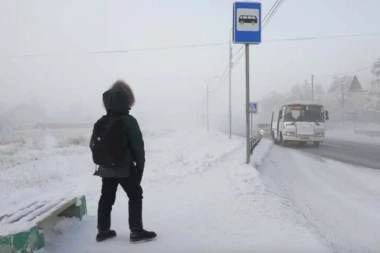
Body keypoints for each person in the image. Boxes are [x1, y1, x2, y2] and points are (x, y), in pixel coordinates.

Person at [90, 80, 157, 243]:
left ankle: (103, 231)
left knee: (106, 197)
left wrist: (106, 163)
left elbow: (93, 145)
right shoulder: (129, 121)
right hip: (124, 168)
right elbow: (138, 148)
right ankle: (136, 231)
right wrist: (139, 169)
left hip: (105, 168)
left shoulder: (102, 121)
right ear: (127, 100)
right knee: (135, 195)